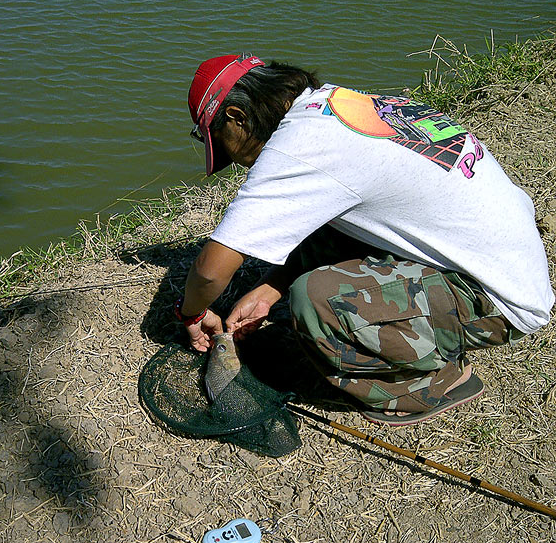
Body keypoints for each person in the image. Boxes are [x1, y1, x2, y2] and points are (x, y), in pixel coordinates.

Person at [175, 53, 554, 425]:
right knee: (327, 220)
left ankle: (429, 384)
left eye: (223, 142)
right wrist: (271, 287)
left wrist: (191, 312)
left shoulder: (299, 147)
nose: (237, 161)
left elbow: (210, 272)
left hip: (499, 301)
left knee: (315, 300)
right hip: (502, 257)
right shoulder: (337, 105)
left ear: (237, 118)